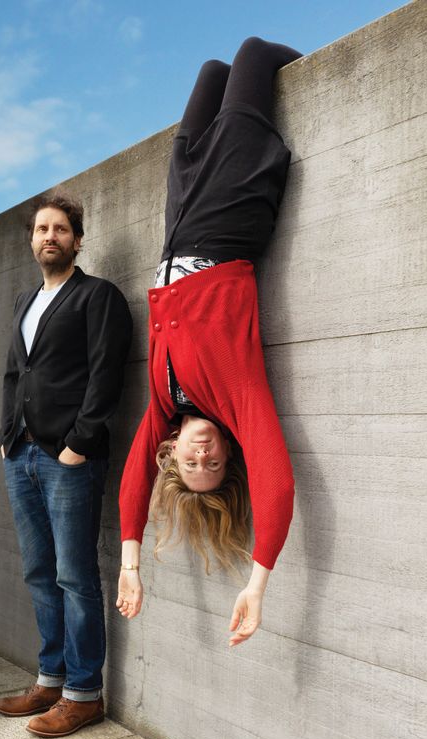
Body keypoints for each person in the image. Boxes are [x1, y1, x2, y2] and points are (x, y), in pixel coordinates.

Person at [116, 37, 302, 645]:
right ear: (228, 452)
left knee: (210, 71)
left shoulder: (164, 409)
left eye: (190, 464)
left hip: (178, 225)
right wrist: (257, 583)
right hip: (230, 216)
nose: (201, 455)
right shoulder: (239, 400)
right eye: (213, 463)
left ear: (171, 453)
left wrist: (130, 563)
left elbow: (134, 483)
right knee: (253, 53)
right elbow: (278, 485)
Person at [0, 191, 132, 736]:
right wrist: (5, 435)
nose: (49, 236)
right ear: (32, 241)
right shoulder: (24, 301)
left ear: (77, 240)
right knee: (38, 571)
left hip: (68, 459)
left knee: (75, 576)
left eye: (60, 229)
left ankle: (83, 694)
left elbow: (107, 374)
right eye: (41, 229)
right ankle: (50, 680)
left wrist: (80, 441)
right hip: (20, 453)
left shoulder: (98, 296)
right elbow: (14, 374)